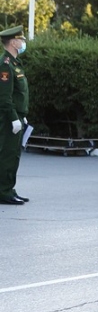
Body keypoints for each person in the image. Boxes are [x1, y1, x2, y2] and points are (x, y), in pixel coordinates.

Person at [0, 26, 29, 205]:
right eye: (21, 39)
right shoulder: (5, 64)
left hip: (17, 116)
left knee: (14, 155)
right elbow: (4, 96)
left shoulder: (15, 64)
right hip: (8, 118)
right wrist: (12, 117)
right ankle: (3, 192)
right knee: (7, 155)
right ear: (12, 42)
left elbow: (19, 94)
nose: (23, 42)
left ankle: (9, 189)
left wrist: (22, 115)